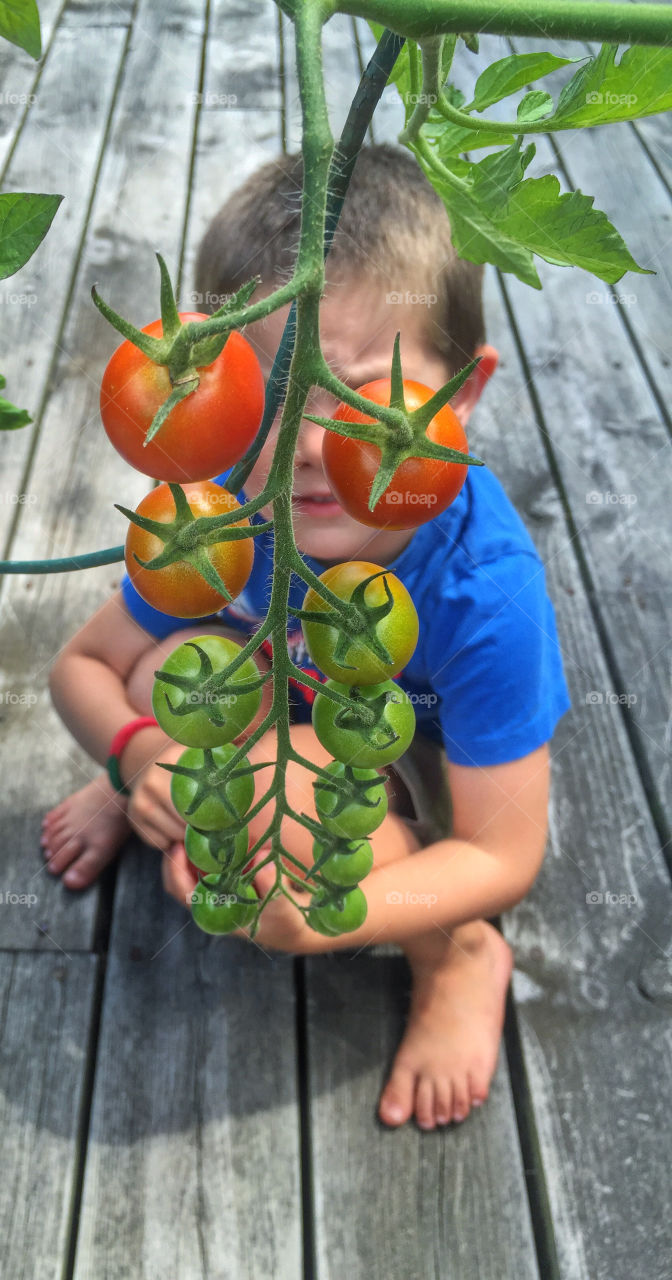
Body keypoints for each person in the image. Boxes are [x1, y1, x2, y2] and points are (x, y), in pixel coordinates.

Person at [42, 145, 571, 1132]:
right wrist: (138, 753)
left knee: (299, 823)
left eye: (364, 397)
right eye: (264, 397)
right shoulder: (230, 510)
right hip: (278, 694)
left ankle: (457, 958)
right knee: (155, 674)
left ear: (462, 395)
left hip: (411, 755)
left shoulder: (481, 589)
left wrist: (338, 911)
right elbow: (79, 666)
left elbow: (503, 852)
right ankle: (150, 786)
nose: (307, 450)